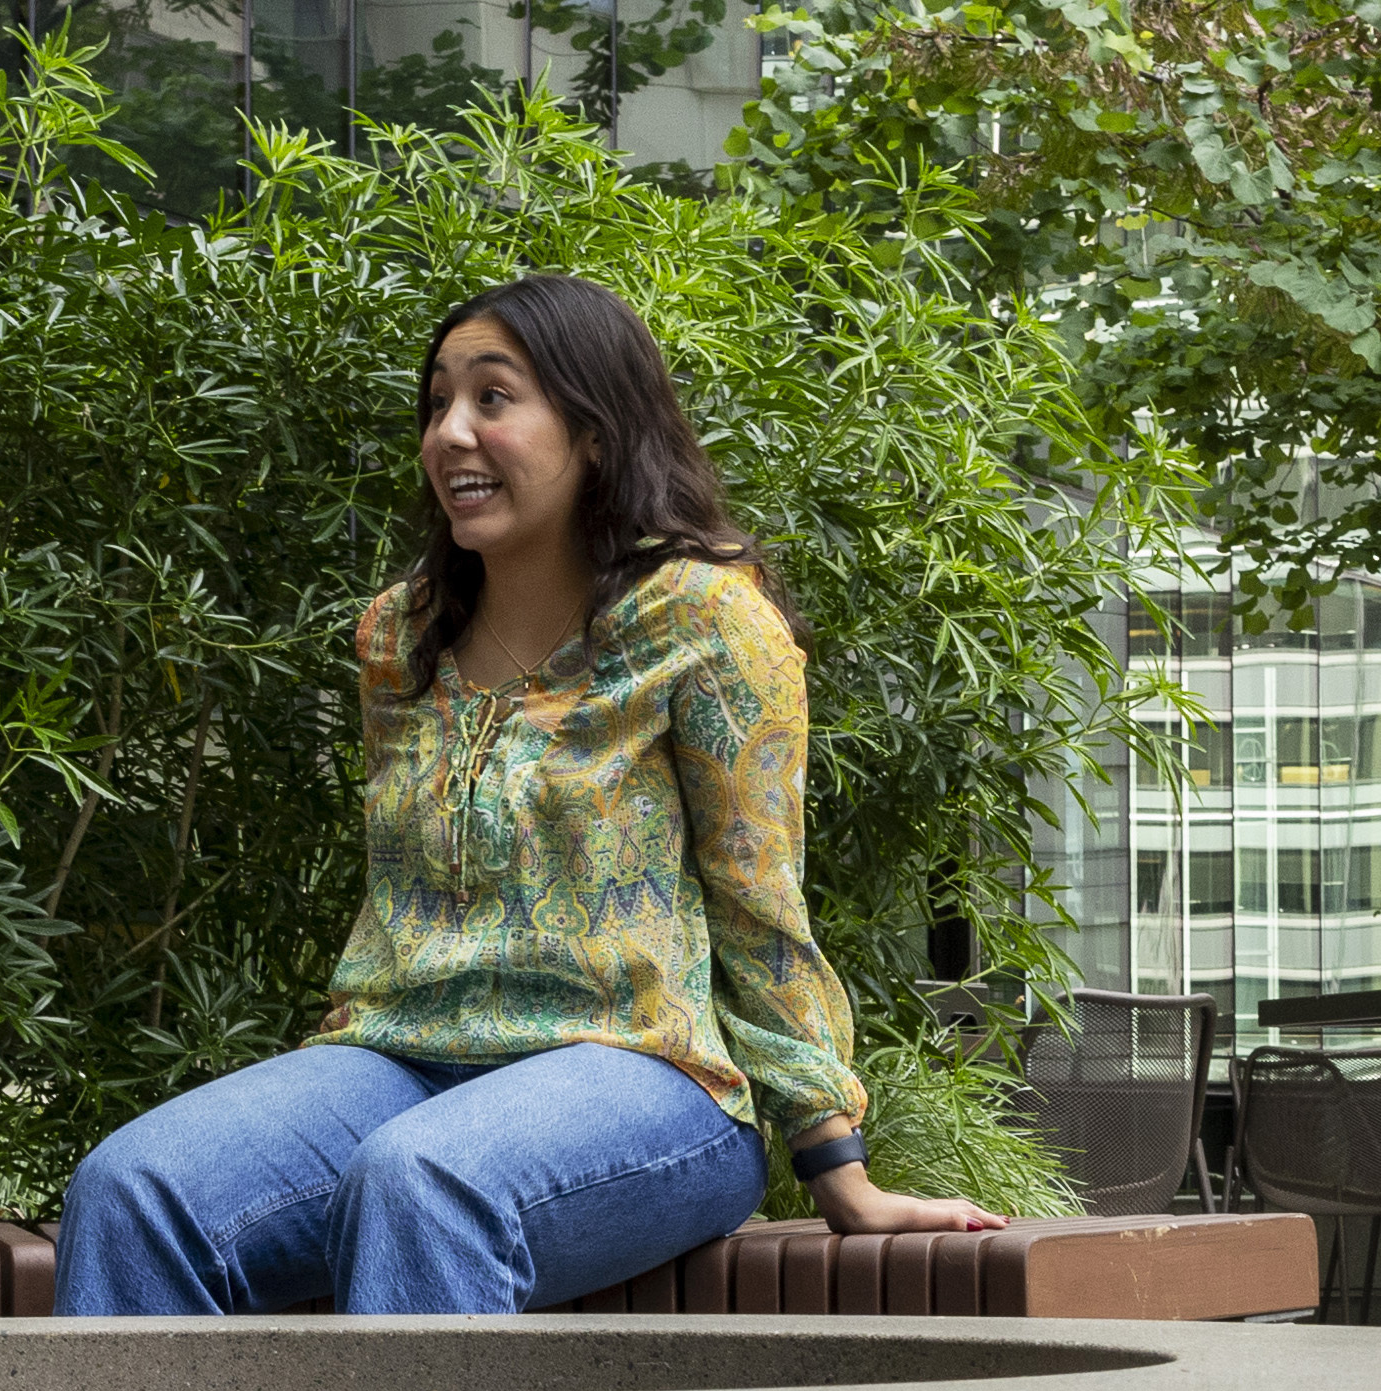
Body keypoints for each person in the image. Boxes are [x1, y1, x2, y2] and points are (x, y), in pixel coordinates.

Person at [59, 272, 1004, 1317]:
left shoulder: (702, 621)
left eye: (492, 398)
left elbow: (759, 899)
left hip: (645, 1077)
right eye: (436, 404)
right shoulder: (399, 636)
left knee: (422, 1182)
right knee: (130, 1189)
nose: (451, 432)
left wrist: (837, 1164)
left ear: (594, 431)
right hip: (397, 1056)